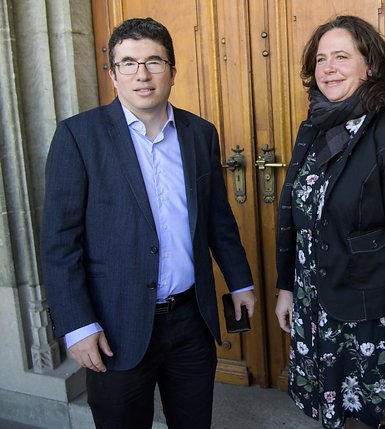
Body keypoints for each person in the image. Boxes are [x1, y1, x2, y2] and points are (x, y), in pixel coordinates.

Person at [40, 17, 256, 429]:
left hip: (191, 319)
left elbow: (217, 218)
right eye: (128, 63)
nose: (142, 74)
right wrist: (77, 326)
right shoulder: (77, 137)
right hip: (114, 326)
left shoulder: (200, 133)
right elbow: (58, 242)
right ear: (112, 74)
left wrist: (240, 281)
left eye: (154, 61)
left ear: (172, 71)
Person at [274, 15, 385, 429]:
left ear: (372, 66)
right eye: (321, 59)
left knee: (378, 418)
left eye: (341, 57)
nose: (328, 68)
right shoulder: (314, 128)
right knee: (336, 419)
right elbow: (301, 220)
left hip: (367, 321)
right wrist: (287, 287)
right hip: (316, 307)